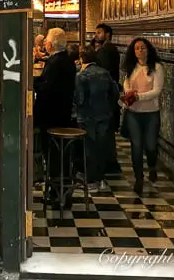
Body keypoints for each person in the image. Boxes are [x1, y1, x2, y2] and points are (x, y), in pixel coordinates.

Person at [33, 28, 77, 208]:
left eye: (45, 43)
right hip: (63, 113)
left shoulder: (55, 62)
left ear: (50, 44)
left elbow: (47, 89)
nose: (44, 45)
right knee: (61, 156)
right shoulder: (66, 60)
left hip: (51, 116)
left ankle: (57, 192)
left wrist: (33, 83)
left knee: (52, 154)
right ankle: (61, 190)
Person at [121, 37, 165, 195]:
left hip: (151, 113)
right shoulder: (132, 67)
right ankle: (138, 177)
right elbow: (126, 82)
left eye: (143, 48)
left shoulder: (156, 68)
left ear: (148, 49)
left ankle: (152, 165)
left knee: (151, 145)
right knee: (137, 145)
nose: (140, 51)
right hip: (134, 113)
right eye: (137, 48)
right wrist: (128, 93)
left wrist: (139, 96)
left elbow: (157, 91)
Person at [73, 46, 119, 193]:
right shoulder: (104, 73)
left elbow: (79, 99)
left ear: (81, 59)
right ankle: (101, 178)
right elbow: (115, 92)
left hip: (87, 116)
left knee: (89, 148)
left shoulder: (81, 76)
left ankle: (91, 180)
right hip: (104, 115)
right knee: (101, 147)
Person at [94, 24, 122, 175]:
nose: (96, 35)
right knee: (108, 130)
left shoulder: (106, 50)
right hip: (111, 93)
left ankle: (108, 163)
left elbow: (102, 72)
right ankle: (111, 162)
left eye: (99, 33)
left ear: (108, 34)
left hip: (107, 95)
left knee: (106, 130)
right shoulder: (110, 48)